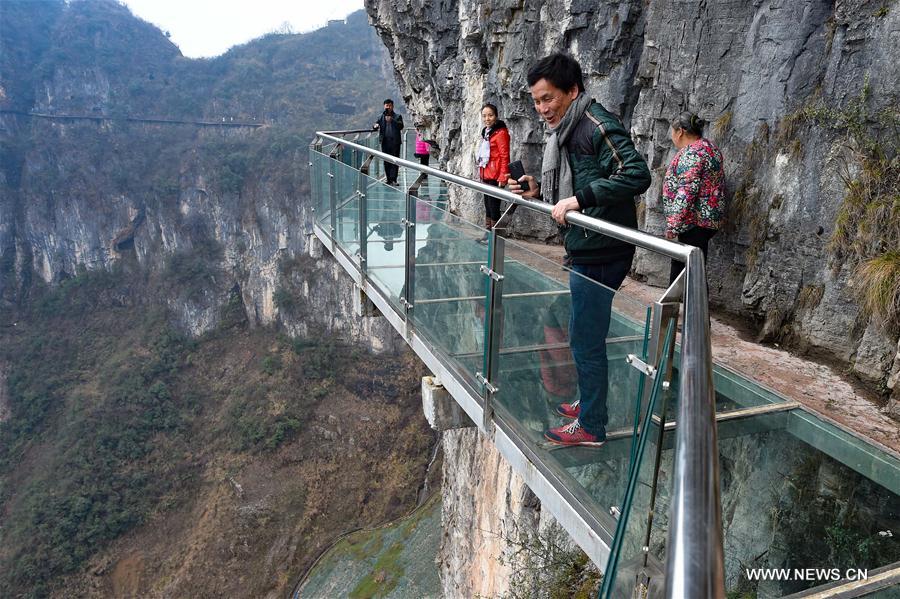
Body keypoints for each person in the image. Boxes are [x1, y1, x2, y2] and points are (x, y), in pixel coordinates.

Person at [509, 53, 651, 447]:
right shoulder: (569, 130)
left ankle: (592, 425)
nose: (542, 109)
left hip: (603, 250)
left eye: (548, 98)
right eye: (536, 101)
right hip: (588, 247)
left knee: (585, 339)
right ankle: (589, 403)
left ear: (572, 91)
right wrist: (538, 190)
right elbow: (576, 183)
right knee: (581, 334)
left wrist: (580, 200)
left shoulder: (594, 125)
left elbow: (637, 173)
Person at [663, 112, 726, 283]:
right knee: (692, 268)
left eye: (672, 131)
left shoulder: (692, 153)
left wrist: (673, 224)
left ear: (680, 132)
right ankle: (686, 307)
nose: (671, 136)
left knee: (686, 272)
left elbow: (687, 190)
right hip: (707, 220)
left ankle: (684, 309)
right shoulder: (709, 147)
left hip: (694, 221)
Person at [475, 103, 510, 236]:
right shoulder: (487, 132)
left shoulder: (501, 133)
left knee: (494, 206)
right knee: (487, 205)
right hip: (486, 173)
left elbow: (504, 155)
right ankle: (488, 233)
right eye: (484, 116)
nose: (487, 118)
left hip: (495, 175)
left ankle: (495, 235)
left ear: (496, 116)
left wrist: (503, 176)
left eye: (490, 115)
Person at [373, 99, 404, 185]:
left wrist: (392, 120)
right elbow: (375, 125)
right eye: (387, 105)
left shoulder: (397, 116)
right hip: (385, 141)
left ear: (392, 106)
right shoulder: (380, 117)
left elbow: (401, 126)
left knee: (395, 160)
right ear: (384, 106)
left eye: (390, 105)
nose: (388, 107)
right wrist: (375, 126)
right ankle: (388, 179)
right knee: (386, 160)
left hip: (395, 142)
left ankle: (394, 179)